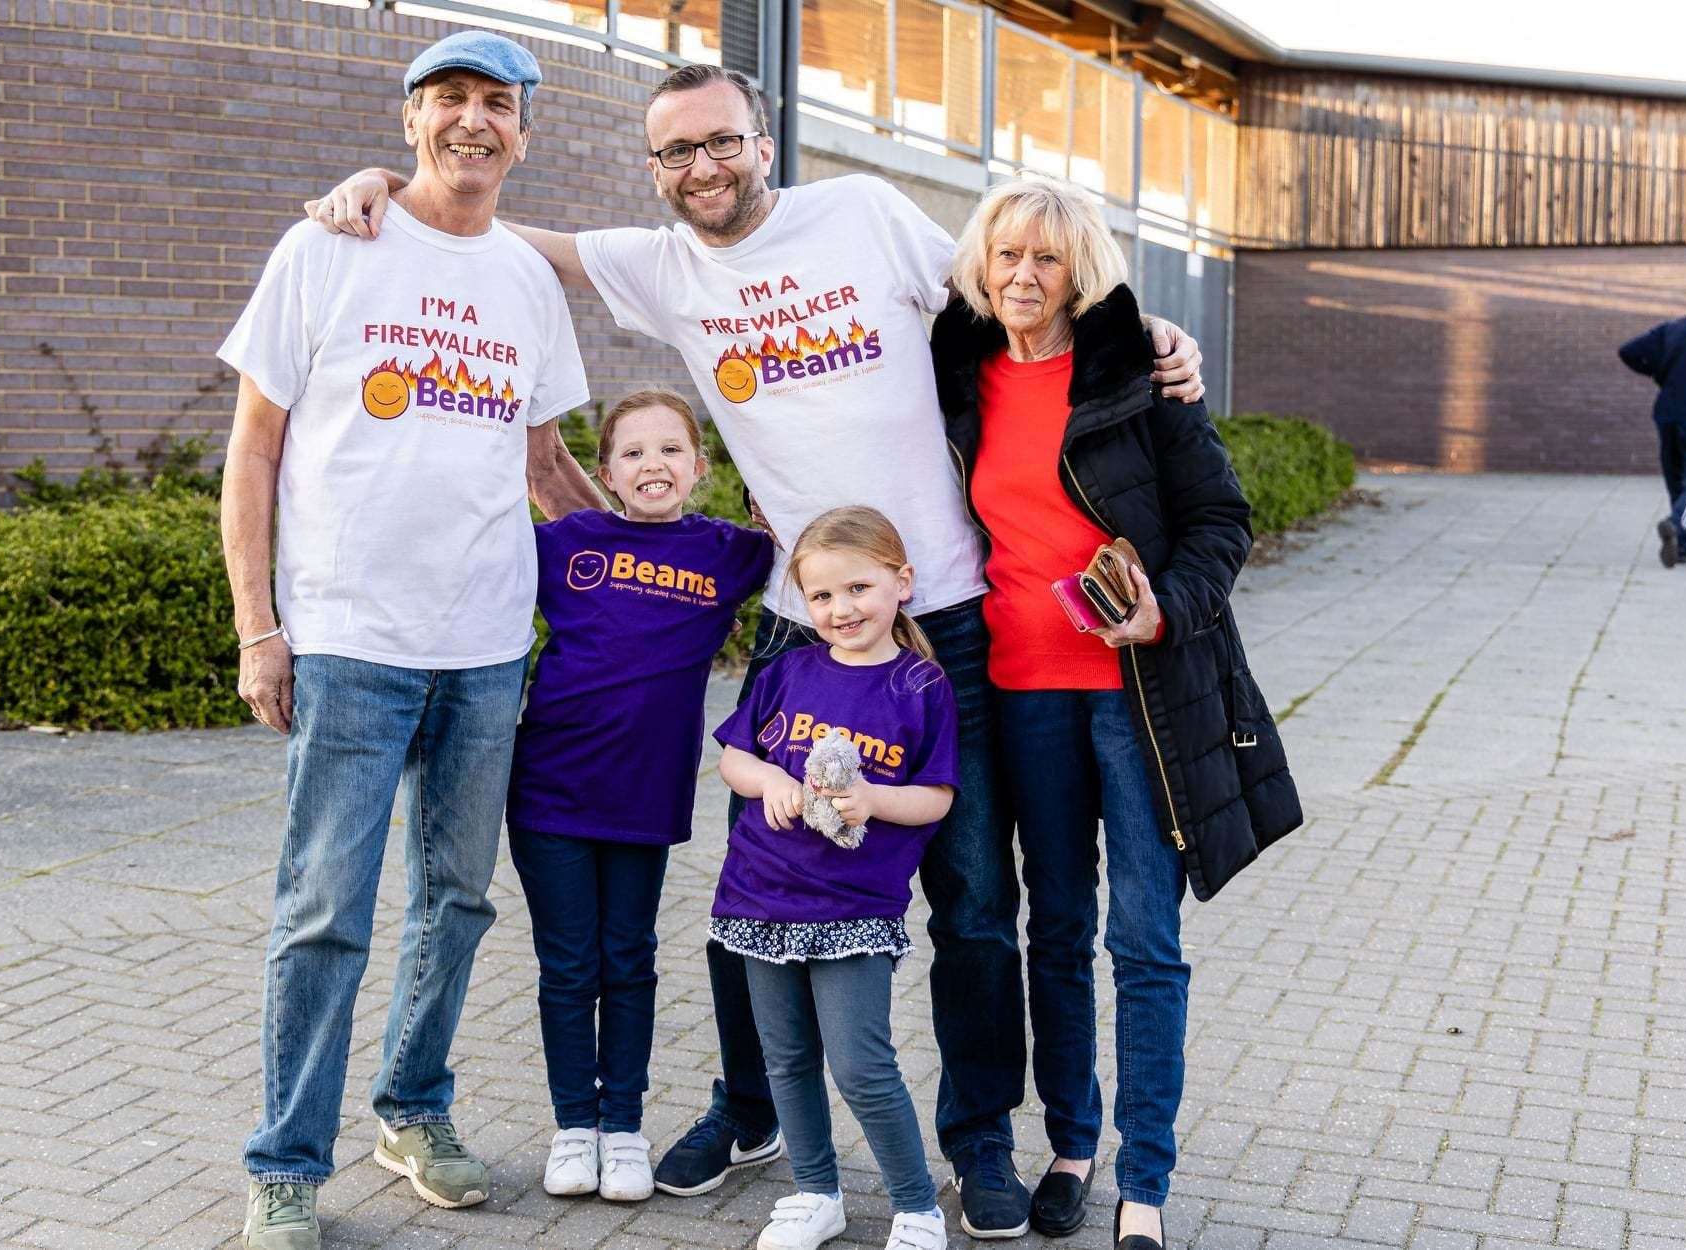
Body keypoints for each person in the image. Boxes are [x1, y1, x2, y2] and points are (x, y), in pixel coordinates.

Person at [304, 64, 1209, 1236]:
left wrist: (1148, 334)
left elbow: (1012, 296)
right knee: (758, 887)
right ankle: (751, 1107)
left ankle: (978, 1138)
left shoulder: (868, 214)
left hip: (946, 620)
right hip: (800, 621)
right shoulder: (664, 266)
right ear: (656, 169)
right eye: (674, 153)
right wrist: (395, 180)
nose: (701, 168)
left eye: (719, 142)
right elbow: (520, 236)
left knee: (975, 899)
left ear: (764, 140)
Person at [216, 32, 601, 1250]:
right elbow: (255, 447)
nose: (472, 122)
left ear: (524, 132)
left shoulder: (528, 282)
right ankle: (284, 1162)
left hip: (489, 645)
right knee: (325, 905)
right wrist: (259, 628)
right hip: (347, 639)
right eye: (448, 101)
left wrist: (671, 573)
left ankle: (414, 1110)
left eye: (497, 104)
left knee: (457, 898)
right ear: (408, 122)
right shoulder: (329, 245)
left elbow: (545, 464)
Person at [929, 179, 1301, 1247]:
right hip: (1024, 695)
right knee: (1055, 927)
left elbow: (1223, 519)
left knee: (1145, 939)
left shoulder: (1140, 373)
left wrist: (1162, 615)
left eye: (1046, 258)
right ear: (981, 264)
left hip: (1139, 700)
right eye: (1006, 256)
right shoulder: (962, 370)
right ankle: (1071, 1143)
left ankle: (1145, 1178)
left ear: (1080, 268)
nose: (1022, 276)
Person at [508, 388, 774, 1202]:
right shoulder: (563, 543)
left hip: (644, 797)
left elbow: (818, 544)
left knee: (628, 958)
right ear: (606, 474)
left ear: (699, 468)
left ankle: (623, 1124)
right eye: (632, 453)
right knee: (567, 966)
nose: (651, 465)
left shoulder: (732, 553)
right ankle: (572, 1127)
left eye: (669, 451)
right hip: (550, 789)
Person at [712, 506, 958, 1250]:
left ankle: (915, 1205)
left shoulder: (919, 686)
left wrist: (874, 799)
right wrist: (766, 784)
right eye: (821, 597)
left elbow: (937, 797)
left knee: (861, 1064)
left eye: (857, 588)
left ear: (900, 582)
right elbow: (732, 756)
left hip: (852, 905)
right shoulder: (787, 670)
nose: (840, 609)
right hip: (759, 896)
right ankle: (815, 1193)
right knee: (785, 1057)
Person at [1619, 299, 1686, 568]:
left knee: (1676, 478)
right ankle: (1675, 523)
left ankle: (1681, 549)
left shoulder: (1670, 329)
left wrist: (1658, 372)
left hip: (1666, 413)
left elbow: (1628, 351)